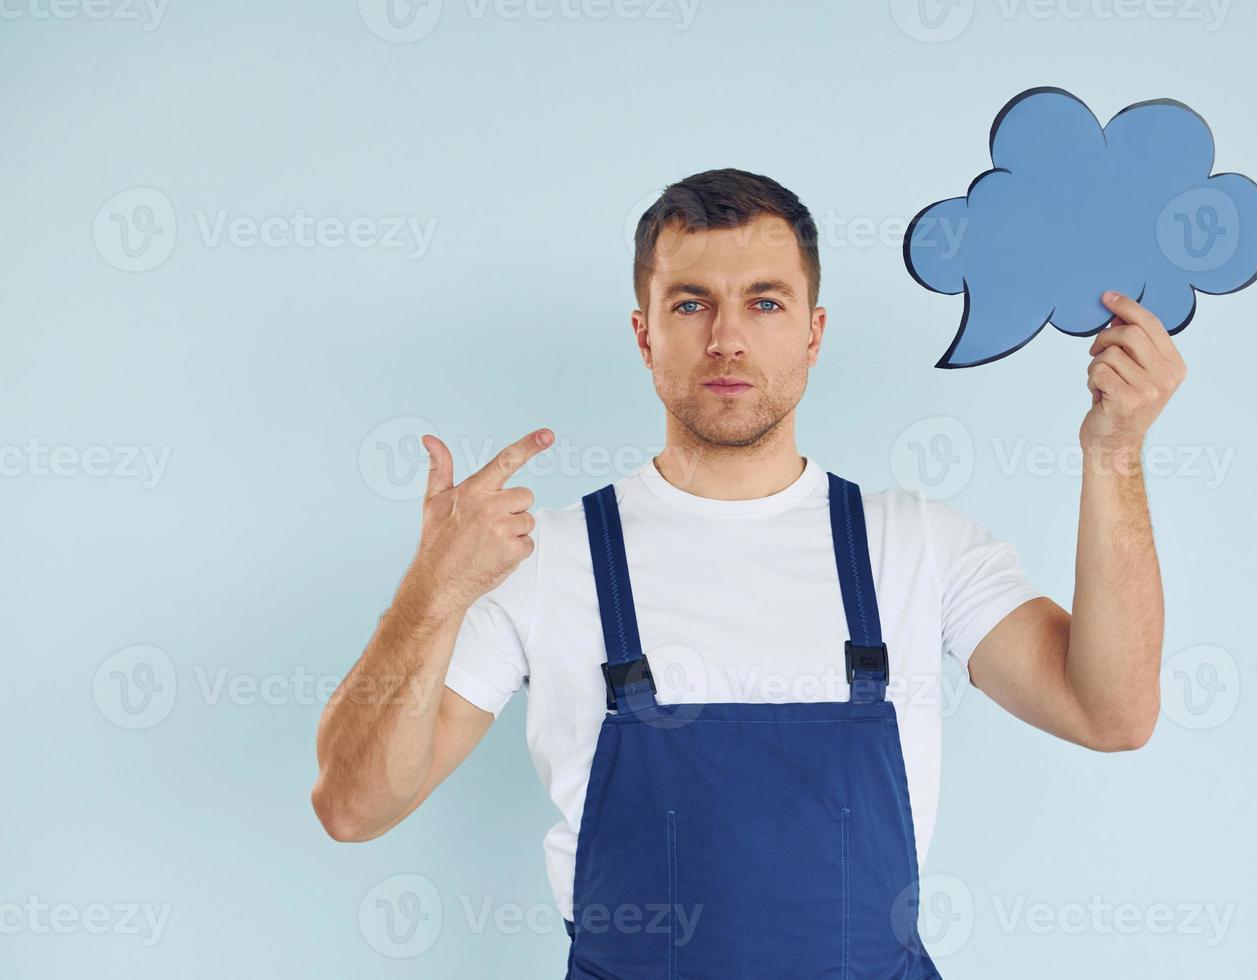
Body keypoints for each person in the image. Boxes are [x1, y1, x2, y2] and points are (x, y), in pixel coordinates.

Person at [311, 168, 1184, 977]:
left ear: (812, 332)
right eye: (691, 304)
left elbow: (1110, 713)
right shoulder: (543, 561)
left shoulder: (917, 546)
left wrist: (1114, 455)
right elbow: (353, 808)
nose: (727, 338)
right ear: (643, 334)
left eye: (763, 303)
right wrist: (435, 589)